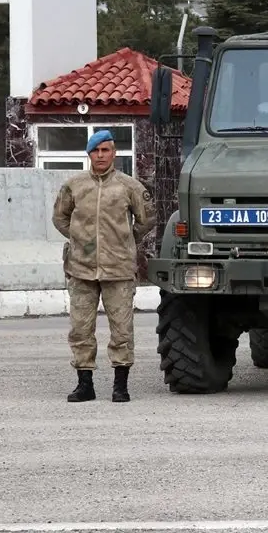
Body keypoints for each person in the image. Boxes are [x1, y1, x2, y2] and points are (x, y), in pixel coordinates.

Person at [51, 130, 156, 403]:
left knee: (122, 329)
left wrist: (125, 241)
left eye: (106, 150)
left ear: (114, 153)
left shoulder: (129, 186)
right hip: (81, 268)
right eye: (96, 151)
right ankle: (85, 384)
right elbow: (60, 218)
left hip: (118, 269)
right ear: (89, 154)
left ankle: (120, 385)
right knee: (80, 329)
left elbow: (146, 220)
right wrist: (81, 240)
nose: (100, 156)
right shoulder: (73, 186)